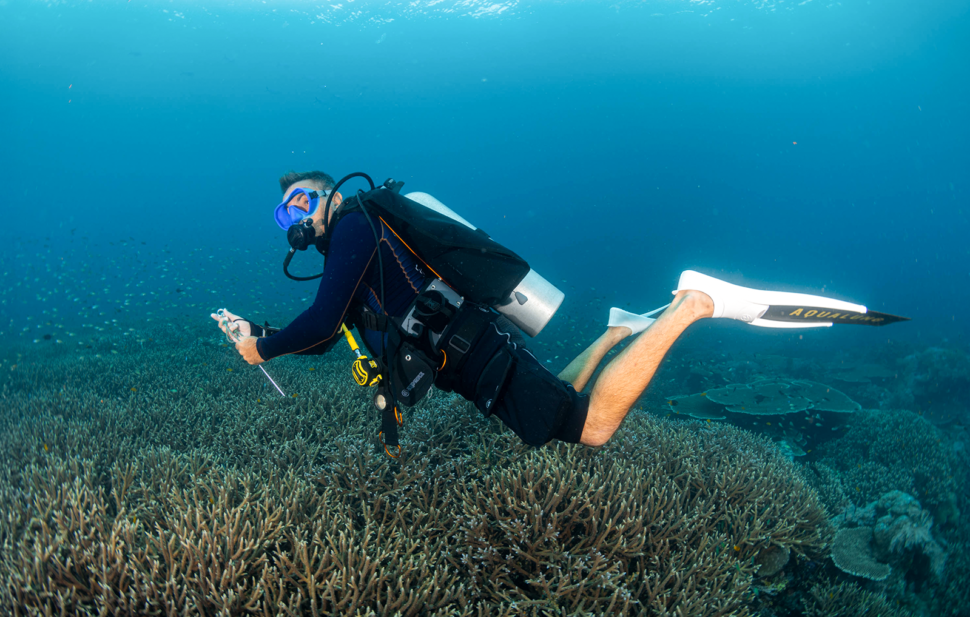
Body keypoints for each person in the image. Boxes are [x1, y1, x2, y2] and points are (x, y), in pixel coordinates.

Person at [214, 169, 851, 449]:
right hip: (466, 354)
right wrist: (259, 331)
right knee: (552, 414)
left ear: (328, 197)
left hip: (469, 351)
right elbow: (327, 337)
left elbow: (321, 324)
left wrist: (261, 350)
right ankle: (615, 334)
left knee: (587, 429)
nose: (293, 218)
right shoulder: (348, 246)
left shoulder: (355, 226)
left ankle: (694, 304)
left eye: (301, 201)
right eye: (283, 213)